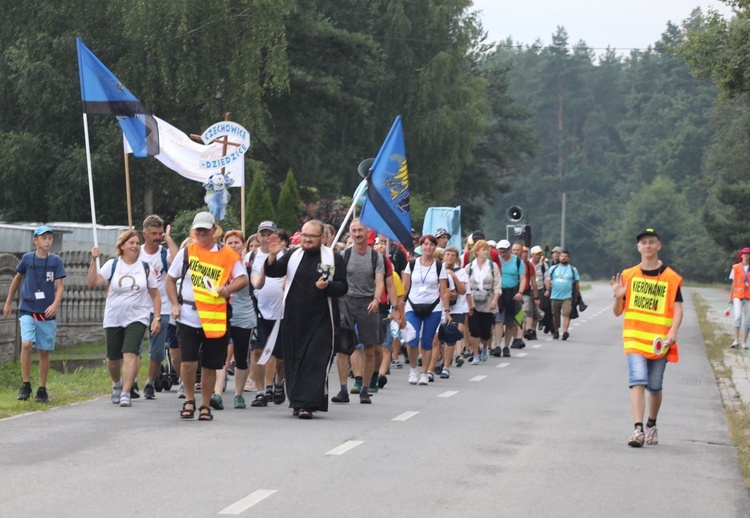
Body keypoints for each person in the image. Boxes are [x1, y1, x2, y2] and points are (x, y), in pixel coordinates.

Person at [165, 212, 248, 421]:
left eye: (205, 229)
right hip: (188, 316)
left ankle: (205, 405)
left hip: (216, 317)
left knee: (210, 365)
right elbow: (170, 280)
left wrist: (227, 289)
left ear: (214, 231)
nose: (201, 233)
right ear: (194, 231)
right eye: (198, 230)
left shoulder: (227, 254)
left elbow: (242, 279)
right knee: (188, 362)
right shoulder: (187, 252)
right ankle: (189, 400)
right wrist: (175, 304)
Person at [264, 220, 348, 419]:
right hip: (294, 318)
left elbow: (343, 286)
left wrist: (326, 287)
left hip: (322, 319)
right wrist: (273, 255)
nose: (307, 239)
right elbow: (273, 272)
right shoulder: (293, 255)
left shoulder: (333, 258)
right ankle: (297, 401)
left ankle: (307, 404)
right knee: (295, 360)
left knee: (314, 360)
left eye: (312, 236)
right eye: (304, 235)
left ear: (323, 238)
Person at [610, 228, 683, 447]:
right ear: (638, 247)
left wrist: (672, 333)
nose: (648, 246)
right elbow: (617, 311)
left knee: (655, 386)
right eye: (644, 243)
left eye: (652, 242)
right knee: (638, 381)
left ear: (659, 245)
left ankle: (651, 423)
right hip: (634, 340)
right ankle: (638, 430)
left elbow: (678, 309)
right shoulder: (628, 275)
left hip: (659, 342)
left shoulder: (670, 277)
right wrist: (618, 296)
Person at [88, 230, 161, 407]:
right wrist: (94, 260)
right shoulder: (113, 265)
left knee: (130, 352)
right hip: (114, 316)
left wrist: (156, 318)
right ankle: (117, 384)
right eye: (131, 243)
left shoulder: (145, 267)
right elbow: (93, 282)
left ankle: (126, 392)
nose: (135, 246)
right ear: (122, 246)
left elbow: (155, 294)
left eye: (137, 243)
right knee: (113, 358)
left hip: (138, 316)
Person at [3, 226, 66, 403]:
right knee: (26, 344)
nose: (48, 241)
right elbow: (17, 278)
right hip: (28, 308)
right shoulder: (27, 259)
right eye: (44, 238)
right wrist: (8, 302)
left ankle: (42, 389)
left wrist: (55, 304)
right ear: (35, 240)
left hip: (46, 311)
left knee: (44, 351)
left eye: (50, 238)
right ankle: (25, 384)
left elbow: (60, 287)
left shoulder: (55, 261)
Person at [332, 219, 385, 404]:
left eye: (360, 230)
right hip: (346, 302)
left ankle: (365, 389)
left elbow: (380, 282)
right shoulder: (344, 255)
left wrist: (376, 299)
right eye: (354, 231)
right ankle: (343, 390)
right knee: (343, 348)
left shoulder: (375, 257)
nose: (357, 234)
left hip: (368, 303)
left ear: (367, 232)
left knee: (369, 348)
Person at [210, 230, 257, 410]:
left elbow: (254, 283)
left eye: (237, 242)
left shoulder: (248, 266)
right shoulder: (219, 265)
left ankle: (238, 394)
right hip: (222, 314)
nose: (234, 245)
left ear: (243, 245)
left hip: (244, 316)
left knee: (241, 357)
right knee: (220, 356)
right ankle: (218, 394)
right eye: (230, 242)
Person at [403, 234, 452, 385]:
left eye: (431, 245)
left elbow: (444, 291)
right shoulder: (412, 264)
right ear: (421, 246)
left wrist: (447, 311)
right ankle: (413, 370)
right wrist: (397, 307)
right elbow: (404, 288)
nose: (428, 247)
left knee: (427, 342)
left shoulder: (439, 266)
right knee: (412, 339)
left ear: (435, 247)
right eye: (425, 244)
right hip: (413, 305)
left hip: (433, 307)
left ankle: (424, 373)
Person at [138, 215, 178, 400]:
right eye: (153, 233)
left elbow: (178, 260)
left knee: (157, 350)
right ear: (144, 234)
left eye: (160, 233)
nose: (157, 237)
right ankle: (130, 383)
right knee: (133, 348)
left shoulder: (164, 254)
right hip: (137, 308)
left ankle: (149, 383)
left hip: (160, 308)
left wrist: (168, 239)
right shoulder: (136, 253)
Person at [249, 221, 287, 407]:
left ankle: (280, 382)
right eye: (262, 234)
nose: (265, 238)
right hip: (258, 310)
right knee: (258, 350)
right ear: (257, 237)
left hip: (282, 311)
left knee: (280, 356)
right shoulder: (251, 257)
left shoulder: (285, 255)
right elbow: (255, 283)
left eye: (269, 234)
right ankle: (262, 391)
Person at [464, 240, 501, 364]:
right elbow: (465, 285)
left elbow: (497, 285)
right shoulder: (469, 267)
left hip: (488, 297)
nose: (486, 252)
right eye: (483, 249)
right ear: (477, 252)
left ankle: (485, 346)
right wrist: (467, 302)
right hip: (473, 299)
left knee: (485, 330)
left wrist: (495, 300)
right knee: (474, 329)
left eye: (487, 249)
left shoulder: (492, 266)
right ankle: (475, 353)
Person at [494, 239, 526, 358]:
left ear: (508, 250)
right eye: (500, 250)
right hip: (499, 292)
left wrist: (520, 292)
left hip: (512, 292)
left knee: (510, 322)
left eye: (504, 250)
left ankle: (506, 346)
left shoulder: (517, 261)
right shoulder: (496, 260)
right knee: (498, 320)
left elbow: (523, 278)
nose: (501, 252)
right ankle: (497, 345)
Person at [546, 250, 580, 340]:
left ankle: (565, 331)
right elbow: (548, 279)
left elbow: (576, 283)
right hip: (555, 295)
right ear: (559, 257)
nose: (563, 258)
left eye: (565, 256)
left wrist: (577, 294)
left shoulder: (572, 269)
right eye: (562, 256)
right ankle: (556, 330)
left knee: (566, 313)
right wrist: (547, 290)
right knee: (555, 314)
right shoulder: (553, 268)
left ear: (568, 258)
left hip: (567, 296)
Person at [728, 247, 750, 349]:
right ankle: (736, 340)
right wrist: (730, 297)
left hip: (749, 297)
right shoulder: (736, 267)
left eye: (747, 254)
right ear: (741, 255)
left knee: (748, 320)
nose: (745, 255)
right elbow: (733, 283)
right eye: (744, 254)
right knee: (738, 316)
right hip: (738, 296)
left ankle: (744, 342)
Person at [527, 245, 550, 339]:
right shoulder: (527, 264)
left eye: (539, 254)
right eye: (536, 254)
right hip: (528, 290)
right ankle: (528, 329)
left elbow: (547, 278)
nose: (538, 256)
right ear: (532, 254)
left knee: (536, 311)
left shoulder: (543, 265)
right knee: (528, 311)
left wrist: (547, 290)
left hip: (539, 289)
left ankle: (533, 329)